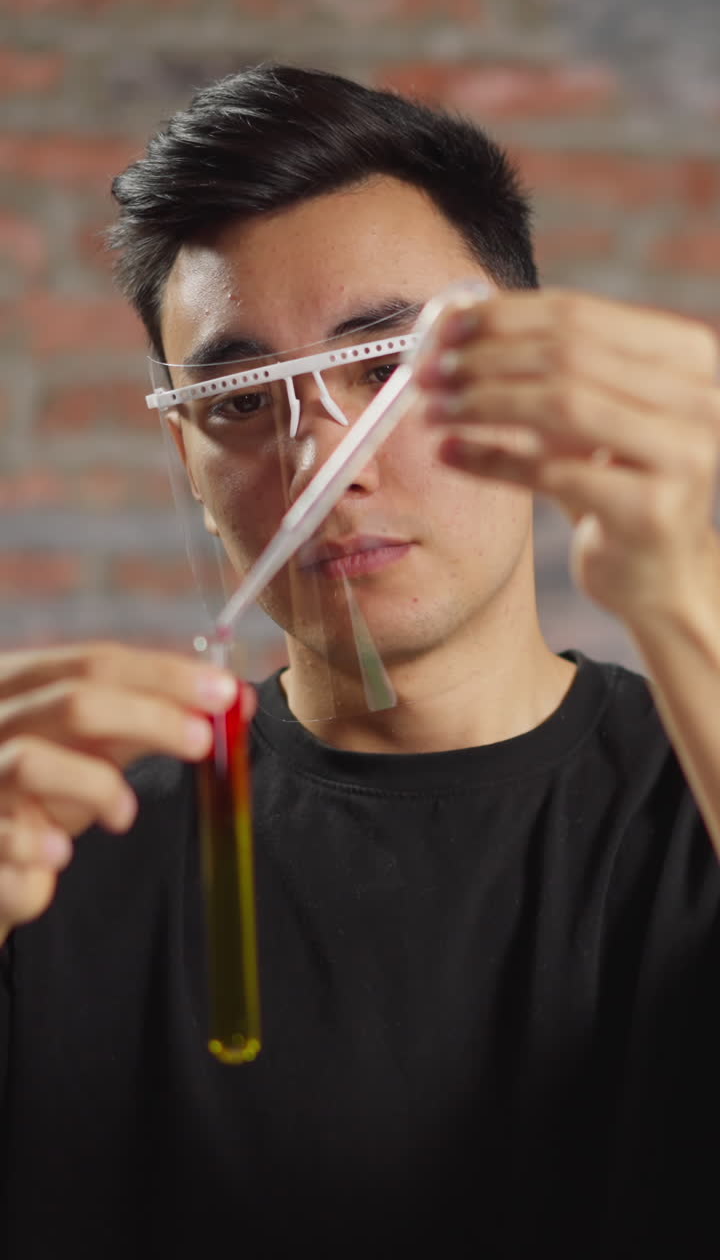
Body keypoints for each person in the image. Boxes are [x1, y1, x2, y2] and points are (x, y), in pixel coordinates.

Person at [1, 64, 719, 1258]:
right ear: (182, 450)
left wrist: (684, 595)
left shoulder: (693, 782)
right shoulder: (54, 851)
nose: (323, 465)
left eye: (386, 367)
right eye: (239, 399)